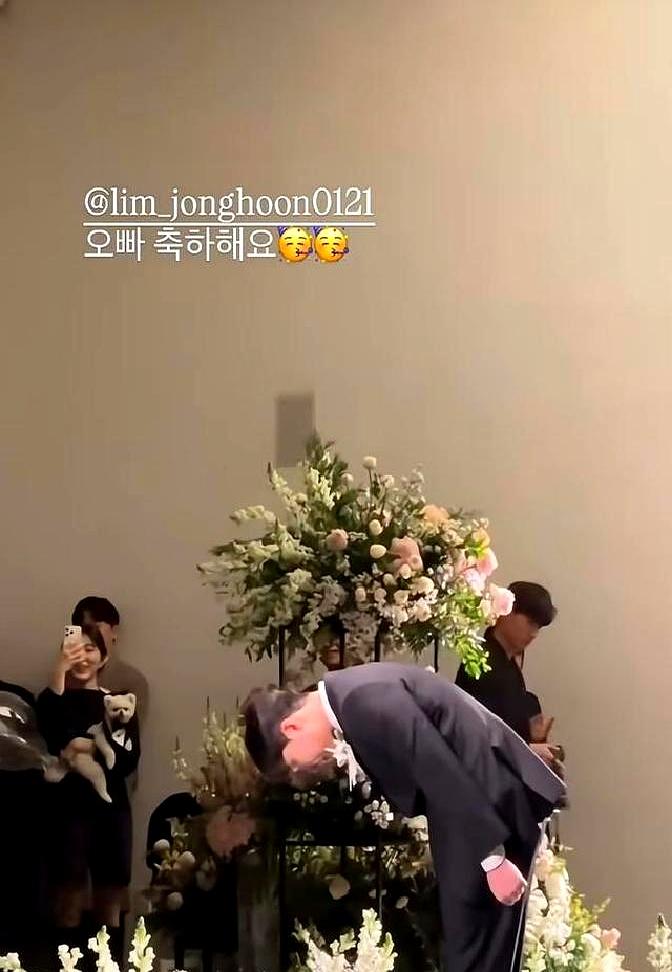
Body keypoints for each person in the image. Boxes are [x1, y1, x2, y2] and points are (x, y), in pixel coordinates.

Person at [242, 662, 566, 972]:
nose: (306, 768)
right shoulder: (352, 692)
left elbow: (437, 768)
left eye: (294, 764)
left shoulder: (359, 699)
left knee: (477, 958)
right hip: (480, 812)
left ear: (291, 727)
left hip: (486, 814)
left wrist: (492, 857)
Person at [37, 623, 140, 960]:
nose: (82, 656)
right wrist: (59, 672)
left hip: (112, 812)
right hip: (68, 812)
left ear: (104, 656)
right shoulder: (52, 699)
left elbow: (125, 760)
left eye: (90, 649)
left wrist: (79, 746)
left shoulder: (119, 701)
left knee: (110, 903)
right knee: (67, 899)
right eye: (74, 649)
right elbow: (54, 736)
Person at [455, 581, 559, 765]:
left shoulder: (509, 665)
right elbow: (478, 733)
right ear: (507, 611)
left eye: (538, 628)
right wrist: (530, 749)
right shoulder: (481, 661)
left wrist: (533, 735)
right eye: (531, 623)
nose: (534, 634)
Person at [71, 596, 149, 726]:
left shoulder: (131, 681)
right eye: (82, 629)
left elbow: (128, 732)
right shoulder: (67, 675)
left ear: (114, 631)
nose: (89, 635)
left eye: (96, 627)